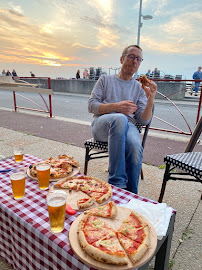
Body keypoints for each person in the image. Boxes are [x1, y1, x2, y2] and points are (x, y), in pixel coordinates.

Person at [88, 45, 157, 194]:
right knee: (119, 119)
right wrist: (116, 107)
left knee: (134, 146)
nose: (135, 62)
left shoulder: (138, 88)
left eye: (139, 59)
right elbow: (91, 105)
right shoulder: (105, 79)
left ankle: (131, 194)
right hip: (103, 125)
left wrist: (151, 98)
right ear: (121, 59)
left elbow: (143, 120)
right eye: (131, 56)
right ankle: (117, 184)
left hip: (129, 126)